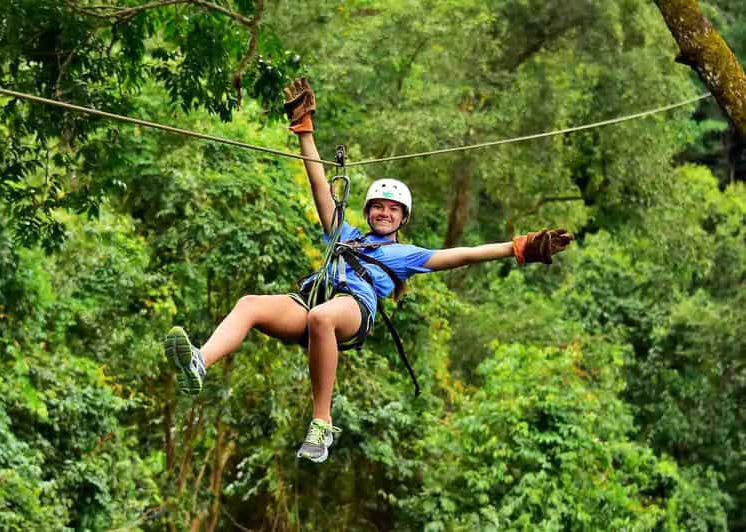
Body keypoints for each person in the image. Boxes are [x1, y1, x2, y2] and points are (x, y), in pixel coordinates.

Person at [164, 78, 574, 463]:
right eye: (378, 206)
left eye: (392, 209)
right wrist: (304, 130)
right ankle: (201, 361)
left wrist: (518, 247)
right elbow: (319, 185)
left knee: (323, 317)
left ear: (402, 219)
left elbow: (463, 254)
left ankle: (321, 424)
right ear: (368, 211)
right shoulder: (345, 233)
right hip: (313, 299)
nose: (383, 212)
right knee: (251, 304)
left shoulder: (406, 255)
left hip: (353, 309)